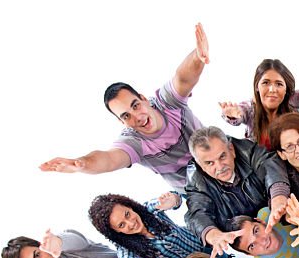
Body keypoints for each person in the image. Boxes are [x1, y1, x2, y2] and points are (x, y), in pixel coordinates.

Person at [39, 24, 210, 191]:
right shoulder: (134, 141)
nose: (137, 117)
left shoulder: (166, 103)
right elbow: (109, 159)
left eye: (135, 106)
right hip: (199, 192)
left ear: (144, 99)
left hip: (221, 160)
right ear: (121, 122)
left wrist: (197, 56)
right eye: (126, 116)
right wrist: (81, 164)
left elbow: (183, 78)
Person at [183, 126, 291, 254]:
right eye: (209, 163)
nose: (219, 167)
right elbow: (196, 214)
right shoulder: (197, 183)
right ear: (201, 166)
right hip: (256, 248)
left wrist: (278, 198)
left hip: (285, 219)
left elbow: (269, 163)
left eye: (222, 156)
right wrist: (213, 235)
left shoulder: (248, 151)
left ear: (231, 150)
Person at [88, 192, 205, 258]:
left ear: (130, 207)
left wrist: (173, 200)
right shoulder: (125, 246)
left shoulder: (148, 210)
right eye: (122, 225)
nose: (131, 223)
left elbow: (174, 198)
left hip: (204, 246)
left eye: (127, 214)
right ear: (116, 231)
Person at [219, 59, 299, 149]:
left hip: (293, 163)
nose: (272, 89)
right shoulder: (250, 108)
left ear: (286, 89)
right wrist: (233, 114)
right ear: (257, 87)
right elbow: (240, 113)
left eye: (279, 84)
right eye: (266, 83)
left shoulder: (291, 100)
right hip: (263, 169)